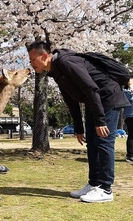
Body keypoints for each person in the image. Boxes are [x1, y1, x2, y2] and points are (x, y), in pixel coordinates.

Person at [27, 41, 130, 203]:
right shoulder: (56, 71)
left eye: (33, 59)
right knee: (92, 142)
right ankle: (94, 183)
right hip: (94, 102)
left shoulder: (66, 62)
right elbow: (71, 100)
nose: (31, 64)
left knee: (103, 142)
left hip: (107, 98)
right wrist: (79, 128)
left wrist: (100, 120)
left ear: (45, 56)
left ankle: (105, 188)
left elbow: (91, 88)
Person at [123, 78, 133, 164]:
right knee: (132, 136)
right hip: (130, 116)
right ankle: (130, 155)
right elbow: (128, 100)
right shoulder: (126, 92)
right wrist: (131, 88)